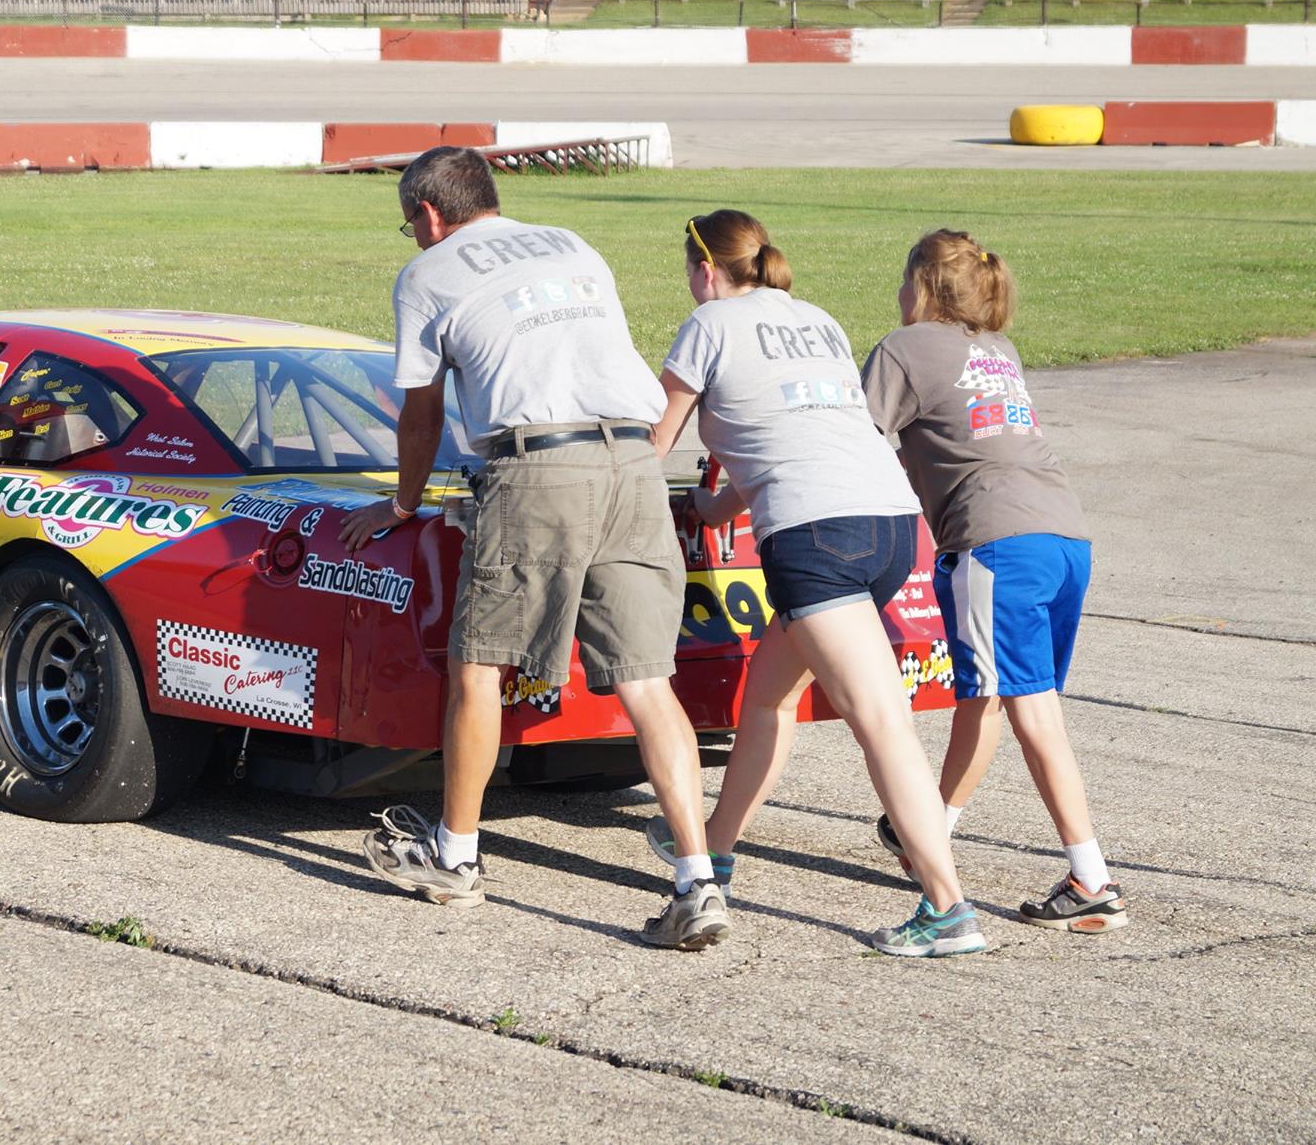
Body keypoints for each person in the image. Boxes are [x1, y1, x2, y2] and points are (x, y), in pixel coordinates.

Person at [343, 148, 726, 950]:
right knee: (649, 682)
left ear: (430, 213)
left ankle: (456, 856)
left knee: (479, 661)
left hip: (541, 463)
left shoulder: (428, 273)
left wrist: (403, 503)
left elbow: (421, 413)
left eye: (408, 220)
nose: (412, 235)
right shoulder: (570, 240)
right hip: (634, 458)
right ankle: (698, 878)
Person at [644, 209, 986, 958]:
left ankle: (948, 906)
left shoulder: (709, 323)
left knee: (880, 718)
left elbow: (655, 440)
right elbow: (797, 432)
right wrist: (716, 505)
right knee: (768, 696)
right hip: (891, 524)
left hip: (814, 534)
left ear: (706, 269)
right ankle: (713, 851)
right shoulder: (818, 319)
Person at [861, 231, 1125, 933]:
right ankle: (925, 832)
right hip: (1064, 536)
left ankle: (1090, 875)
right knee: (995, 696)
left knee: (1030, 709)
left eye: (903, 280)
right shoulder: (996, 350)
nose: (897, 295)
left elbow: (855, 440)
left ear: (923, 286)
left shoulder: (904, 346)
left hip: (995, 541)